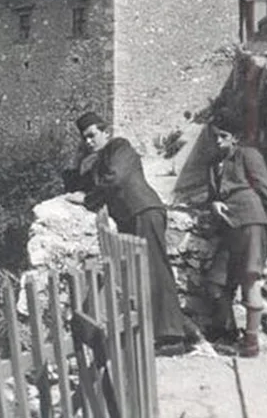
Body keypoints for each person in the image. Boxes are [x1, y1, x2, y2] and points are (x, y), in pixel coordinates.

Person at [71, 111, 198, 355]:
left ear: (106, 132)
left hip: (143, 210)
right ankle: (179, 330)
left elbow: (115, 178)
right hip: (132, 216)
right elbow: (86, 180)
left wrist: (87, 199)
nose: (88, 141)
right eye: (84, 138)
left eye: (92, 135)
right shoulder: (101, 158)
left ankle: (173, 339)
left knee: (156, 271)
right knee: (146, 273)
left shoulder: (120, 146)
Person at [204, 113, 267, 358]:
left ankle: (250, 342)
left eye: (223, 136)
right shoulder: (213, 163)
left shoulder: (248, 155)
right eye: (215, 136)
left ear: (235, 138)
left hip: (251, 223)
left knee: (250, 278)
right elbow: (213, 196)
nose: (218, 141)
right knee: (216, 282)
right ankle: (228, 334)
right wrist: (214, 204)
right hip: (229, 229)